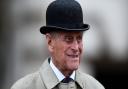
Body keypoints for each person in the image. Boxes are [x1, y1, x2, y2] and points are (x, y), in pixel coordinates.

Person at [11, 0, 105, 89]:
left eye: (79, 39)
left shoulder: (95, 87)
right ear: (50, 42)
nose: (76, 47)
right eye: (68, 39)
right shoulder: (24, 87)